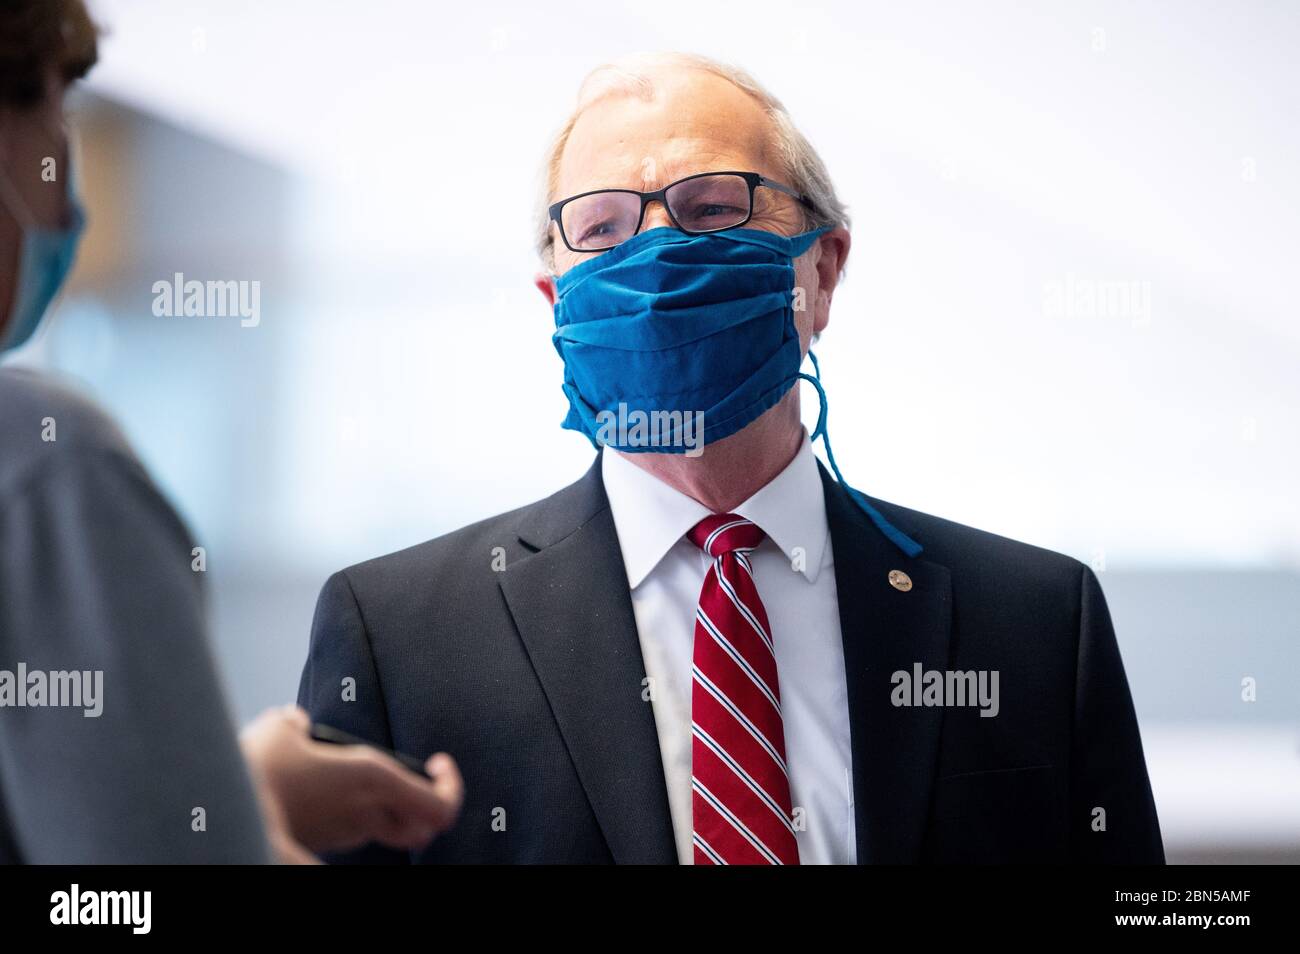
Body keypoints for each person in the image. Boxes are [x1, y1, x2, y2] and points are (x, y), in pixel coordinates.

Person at [298, 52, 1164, 864]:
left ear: (821, 271)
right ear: (556, 303)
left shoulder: (1037, 622)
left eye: (713, 208)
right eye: (602, 227)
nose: (660, 255)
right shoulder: (399, 639)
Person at [0, 0, 463, 864]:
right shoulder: (47, 471)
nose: (66, 165)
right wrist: (254, 823)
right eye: (58, 115)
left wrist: (208, 794)